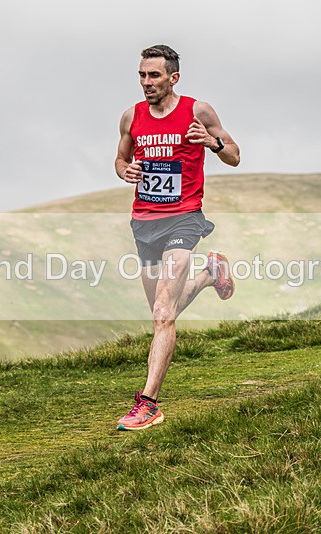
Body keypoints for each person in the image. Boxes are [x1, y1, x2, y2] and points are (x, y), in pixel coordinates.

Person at [114, 44, 240, 431]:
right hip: (144, 222)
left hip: (183, 219)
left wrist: (212, 143)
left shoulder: (197, 111)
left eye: (153, 75)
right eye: (141, 75)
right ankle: (208, 276)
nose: (146, 82)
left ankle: (148, 402)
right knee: (162, 312)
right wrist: (125, 171)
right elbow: (120, 158)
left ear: (173, 78)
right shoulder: (131, 116)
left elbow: (234, 155)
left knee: (163, 314)